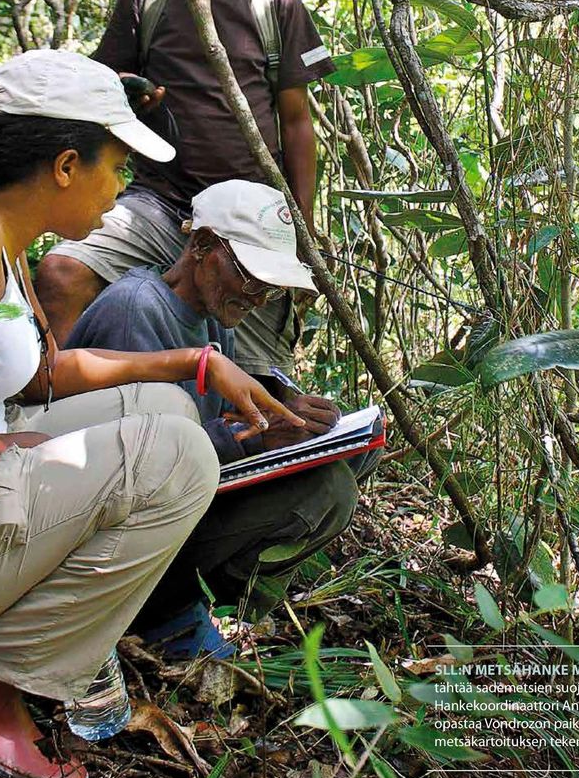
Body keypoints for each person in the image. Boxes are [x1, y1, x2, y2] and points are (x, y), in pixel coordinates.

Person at [0, 49, 304, 778]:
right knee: (177, 458)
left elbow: (42, 374)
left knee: (169, 414)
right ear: (66, 165)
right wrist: (19, 452)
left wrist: (192, 366)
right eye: (116, 165)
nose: (125, 187)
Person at [36, 0, 335, 378]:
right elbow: (103, 91)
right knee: (62, 274)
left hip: (249, 220)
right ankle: (51, 412)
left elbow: (298, 122)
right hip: (160, 200)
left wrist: (302, 230)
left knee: (262, 378)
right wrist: (131, 93)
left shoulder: (278, 7)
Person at [63, 180, 372, 653]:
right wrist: (252, 440)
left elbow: (208, 417)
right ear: (202, 247)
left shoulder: (209, 318)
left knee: (348, 463)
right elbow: (133, 466)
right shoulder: (137, 310)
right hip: (117, 534)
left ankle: (185, 606)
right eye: (250, 278)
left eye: (270, 288)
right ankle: (160, 612)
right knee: (327, 491)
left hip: (174, 503)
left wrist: (277, 412)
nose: (259, 298)